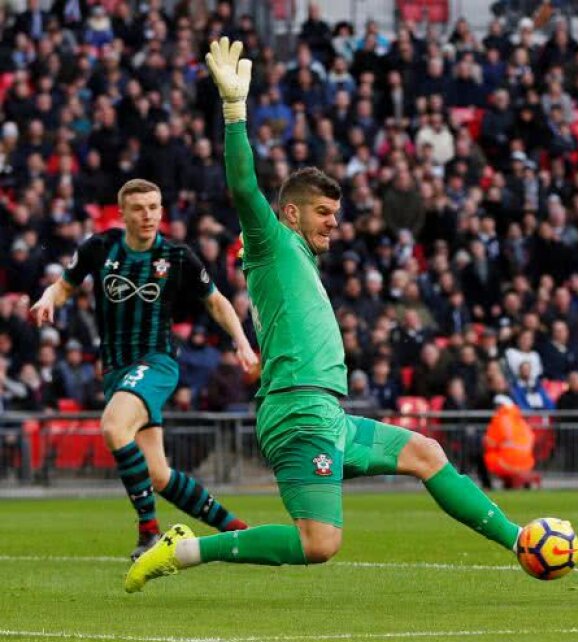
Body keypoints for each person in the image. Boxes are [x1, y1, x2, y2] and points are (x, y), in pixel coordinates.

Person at [126, 39, 547, 592]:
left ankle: (519, 542)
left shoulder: (296, 255)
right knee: (319, 543)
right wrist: (235, 113)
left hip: (327, 411)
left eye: (337, 214)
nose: (333, 224)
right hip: (298, 410)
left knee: (426, 452)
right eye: (323, 213)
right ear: (291, 212)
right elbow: (243, 187)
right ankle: (188, 550)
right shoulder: (272, 241)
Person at [31, 178, 255, 560]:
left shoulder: (178, 256)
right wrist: (48, 297)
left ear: (162, 211)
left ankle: (149, 532)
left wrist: (242, 342)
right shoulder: (99, 248)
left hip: (156, 362)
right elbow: (65, 285)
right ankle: (238, 530)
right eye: (139, 208)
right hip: (117, 370)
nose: (148, 215)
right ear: (123, 214)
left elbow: (216, 302)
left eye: (154, 207)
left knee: (113, 427)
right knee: (158, 474)